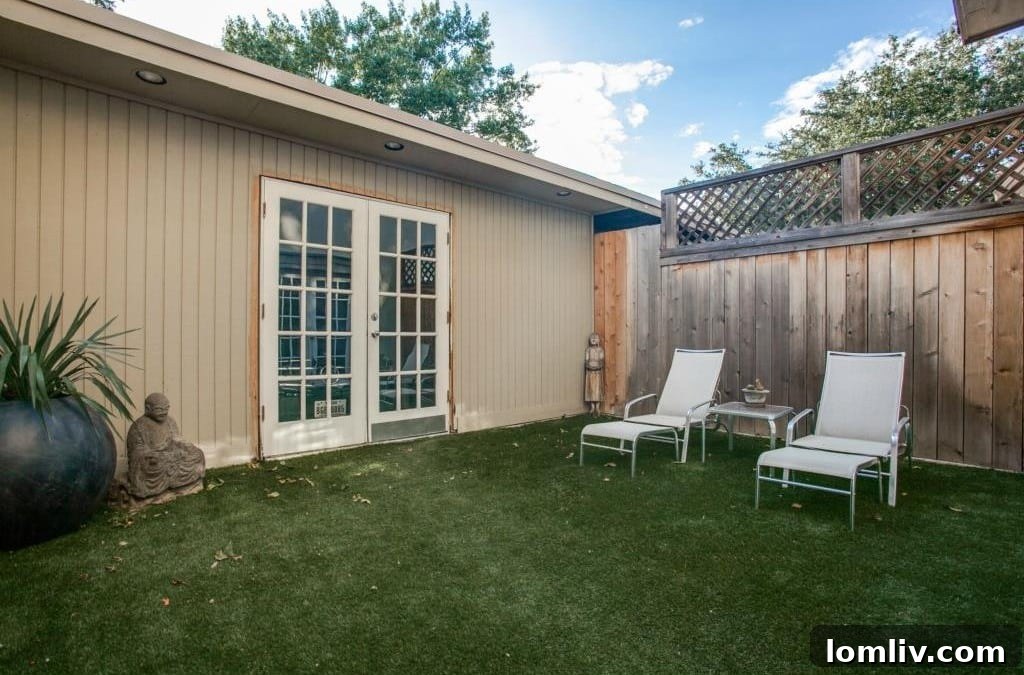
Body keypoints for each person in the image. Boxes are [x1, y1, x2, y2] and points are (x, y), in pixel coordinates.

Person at [126, 393, 205, 503]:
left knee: (197, 454)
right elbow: (136, 451)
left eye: (166, 408)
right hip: (155, 460)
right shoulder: (139, 426)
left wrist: (186, 446)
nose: (164, 412)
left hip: (171, 454)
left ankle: (186, 484)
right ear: (148, 409)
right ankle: (152, 493)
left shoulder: (170, 422)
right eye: (159, 409)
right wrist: (151, 455)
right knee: (159, 464)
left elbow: (177, 439)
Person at [584, 333, 605, 415]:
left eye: (595, 338)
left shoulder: (600, 350)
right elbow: (586, 361)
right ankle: (592, 407)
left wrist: (598, 367)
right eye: (592, 338)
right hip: (590, 372)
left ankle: (597, 408)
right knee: (591, 388)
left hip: (598, 372)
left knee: (598, 389)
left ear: (598, 340)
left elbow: (602, 361)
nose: (593, 339)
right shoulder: (588, 350)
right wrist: (589, 366)